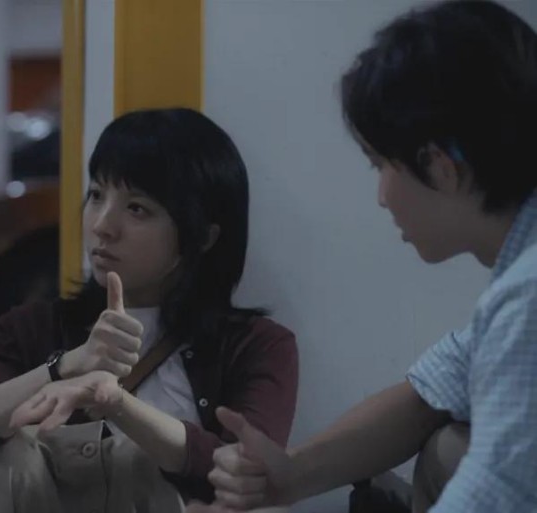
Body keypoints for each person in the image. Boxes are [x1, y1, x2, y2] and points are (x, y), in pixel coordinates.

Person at [188, 1, 537, 512]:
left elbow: (493, 493)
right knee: (446, 447)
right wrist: (290, 475)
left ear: (440, 167)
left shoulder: (527, 297)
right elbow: (429, 394)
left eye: (380, 165)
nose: (381, 197)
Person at [0, 108, 299, 512]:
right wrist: (63, 367)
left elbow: (249, 475)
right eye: (96, 195)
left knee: (137, 460)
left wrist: (117, 404)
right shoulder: (31, 327)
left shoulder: (257, 346)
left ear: (202, 237)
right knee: (3, 460)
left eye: (137, 208)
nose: (102, 225)